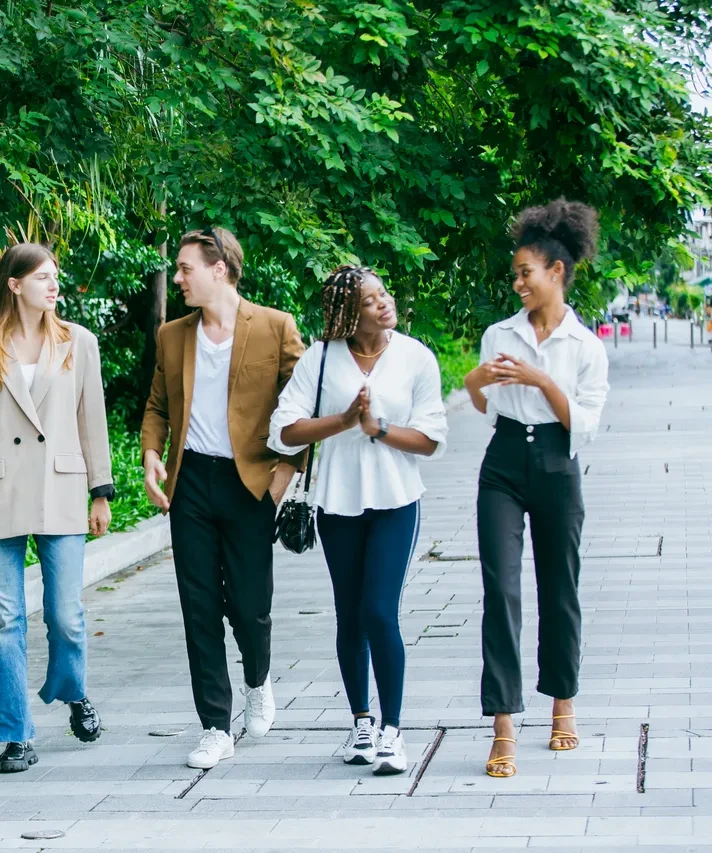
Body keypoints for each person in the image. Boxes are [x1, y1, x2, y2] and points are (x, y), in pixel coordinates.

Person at [268, 265, 447, 775]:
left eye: (384, 294)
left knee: (378, 611)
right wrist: (345, 421)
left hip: (396, 500)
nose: (384, 303)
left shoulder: (415, 356)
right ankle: (361, 723)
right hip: (337, 503)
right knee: (350, 614)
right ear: (349, 312)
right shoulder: (320, 360)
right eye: (371, 300)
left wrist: (378, 427)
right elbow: (284, 431)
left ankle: (393, 730)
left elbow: (432, 438)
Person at [0, 243, 115, 774]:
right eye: (42, 278)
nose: (52, 286)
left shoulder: (78, 343)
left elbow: (94, 420)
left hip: (61, 489)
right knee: (6, 621)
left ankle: (74, 691)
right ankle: (16, 734)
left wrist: (102, 491)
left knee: (65, 615)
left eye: (55, 277)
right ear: (15, 285)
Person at [140, 227, 306, 769]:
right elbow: (157, 405)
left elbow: (302, 409)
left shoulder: (276, 327)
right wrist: (150, 455)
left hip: (250, 484)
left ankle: (259, 681)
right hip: (190, 484)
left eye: (186, 268)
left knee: (251, 607)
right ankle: (215, 724)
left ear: (220, 268)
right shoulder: (172, 334)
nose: (179, 277)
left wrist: (286, 475)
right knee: (199, 606)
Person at [463, 200, 609, 778]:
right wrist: (478, 379)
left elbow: (585, 424)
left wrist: (541, 379)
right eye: (516, 274)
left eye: (526, 272)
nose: (518, 282)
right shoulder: (498, 334)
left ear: (556, 271)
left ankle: (563, 705)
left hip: (557, 461)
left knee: (560, 587)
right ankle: (502, 725)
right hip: (502, 462)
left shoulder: (585, 346)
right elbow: (480, 402)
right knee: (500, 590)